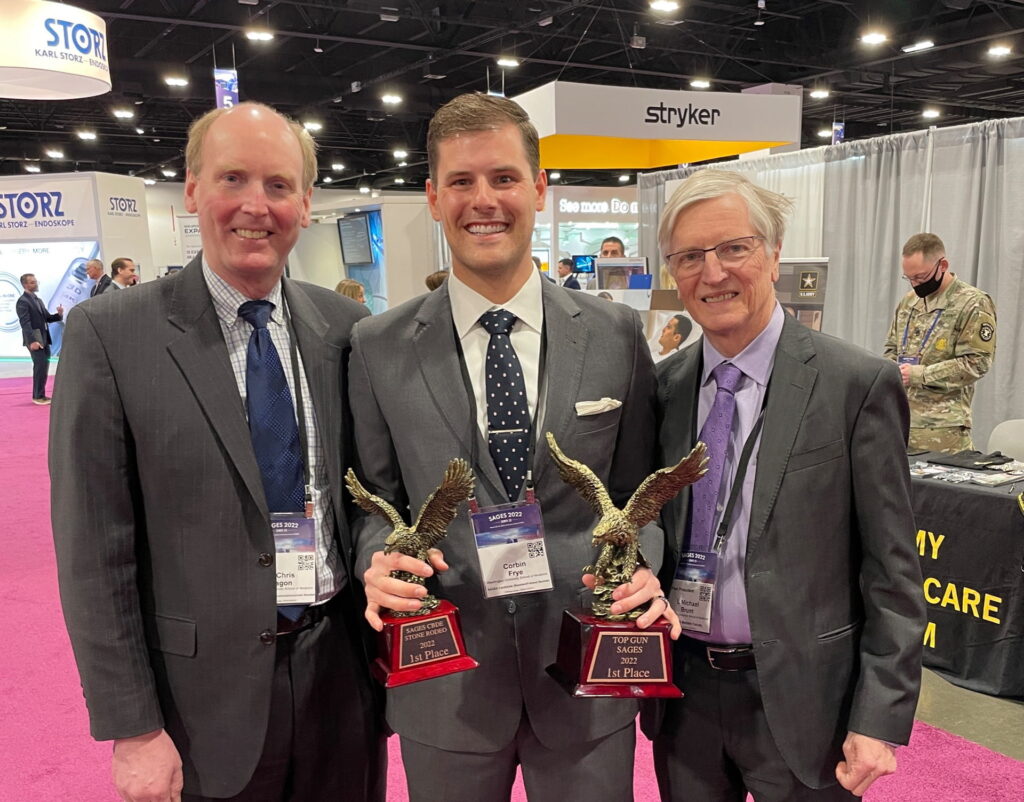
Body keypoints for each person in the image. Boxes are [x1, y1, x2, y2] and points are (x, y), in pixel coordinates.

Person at [50, 101, 385, 802]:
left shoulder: (347, 329)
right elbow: (94, 549)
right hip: (199, 704)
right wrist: (133, 728)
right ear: (194, 189)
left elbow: (370, 499)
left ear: (305, 201)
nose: (255, 207)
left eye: (278, 185)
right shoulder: (112, 334)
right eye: (233, 179)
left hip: (343, 682)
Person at [349, 92, 672, 802]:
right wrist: (377, 558)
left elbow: (644, 492)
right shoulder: (376, 346)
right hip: (446, 681)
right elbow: (373, 498)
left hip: (587, 675)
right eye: (460, 182)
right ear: (433, 198)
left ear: (539, 188)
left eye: (502, 178)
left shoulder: (616, 333)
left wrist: (643, 566)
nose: (483, 200)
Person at [644, 169, 925, 801]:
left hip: (808, 705)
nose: (712, 273)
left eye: (733, 248)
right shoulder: (660, 390)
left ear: (773, 255)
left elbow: (893, 569)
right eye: (689, 256)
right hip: (684, 696)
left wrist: (879, 714)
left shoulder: (856, 384)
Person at [883, 233, 996, 453]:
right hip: (900, 422)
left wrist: (919, 375)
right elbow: (891, 349)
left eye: (921, 277)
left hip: (943, 430)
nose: (915, 284)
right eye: (909, 278)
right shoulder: (909, 302)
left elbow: (977, 363)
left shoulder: (973, 303)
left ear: (942, 265)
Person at [16, 273, 63, 405]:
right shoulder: (22, 301)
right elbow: (25, 323)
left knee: (43, 366)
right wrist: (32, 341)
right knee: (40, 366)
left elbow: (47, 318)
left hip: (44, 338)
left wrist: (58, 315)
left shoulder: (38, 300)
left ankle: (40, 394)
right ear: (25, 284)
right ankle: (37, 396)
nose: (35, 284)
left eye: (35, 281)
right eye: (32, 282)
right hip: (35, 339)